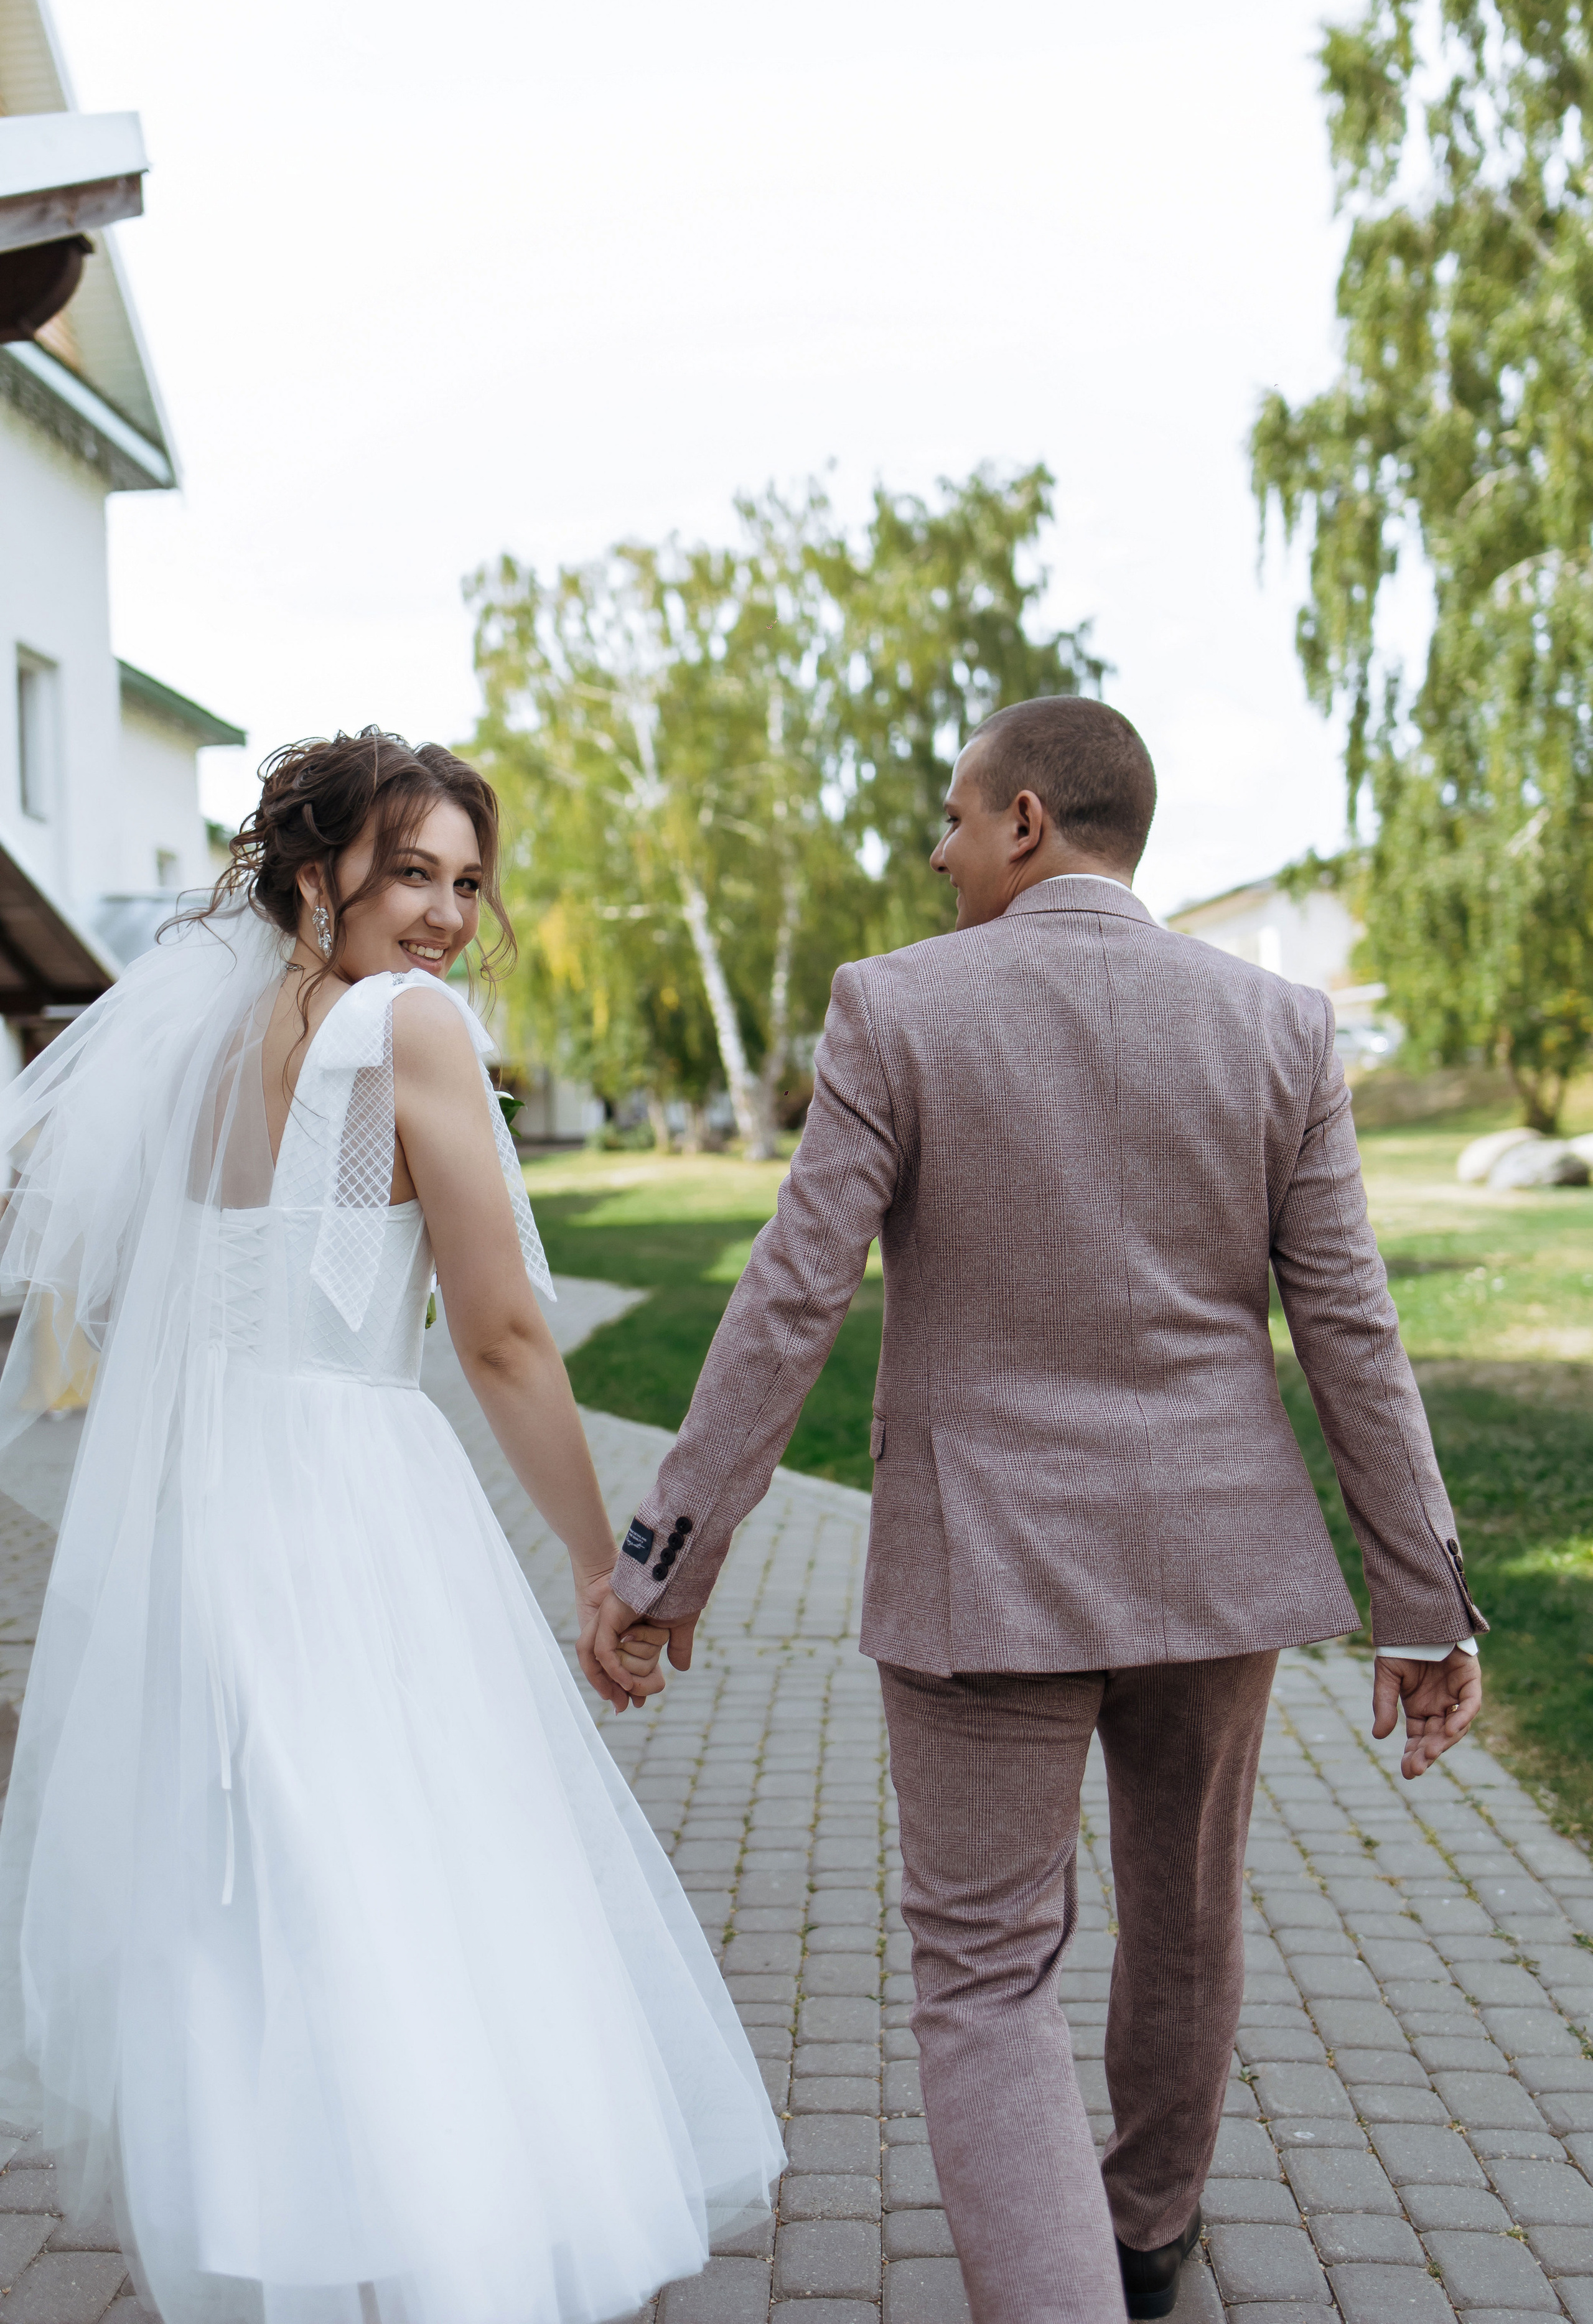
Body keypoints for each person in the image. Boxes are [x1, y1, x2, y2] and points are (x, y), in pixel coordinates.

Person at [586, 696, 1485, 2324]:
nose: (935, 851)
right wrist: (1422, 1607)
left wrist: (667, 1563)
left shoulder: (900, 1011)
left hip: (983, 1577)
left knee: (987, 1981)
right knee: (1188, 1915)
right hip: (1215, 1576)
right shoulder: (1281, 1026)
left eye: (952, 815)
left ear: (1025, 822)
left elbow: (790, 1301)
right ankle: (1143, 2239)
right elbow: (1350, 1326)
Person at [0, 729, 782, 2324]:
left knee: (253, 1897)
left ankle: (287, 2241)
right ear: (318, 873)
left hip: (194, 1512)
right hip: (347, 1507)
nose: (440, 914)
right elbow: (498, 1339)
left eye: (466, 881)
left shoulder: (213, 1037)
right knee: (407, 1887)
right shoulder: (409, 1031)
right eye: (408, 870)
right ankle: (444, 2247)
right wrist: (602, 1562)